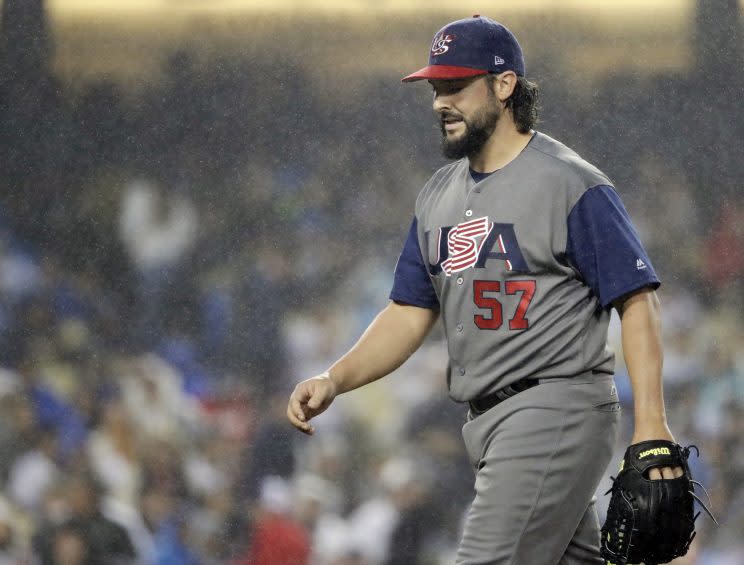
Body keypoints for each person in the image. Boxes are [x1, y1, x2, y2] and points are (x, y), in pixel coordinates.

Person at [287, 15, 682, 564]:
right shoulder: (437, 196)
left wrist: (652, 426)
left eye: (455, 85)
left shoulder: (571, 184)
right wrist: (335, 379)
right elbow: (408, 312)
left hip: (554, 406)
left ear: (504, 84)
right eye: (434, 88)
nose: (439, 101)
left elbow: (637, 300)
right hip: (490, 422)